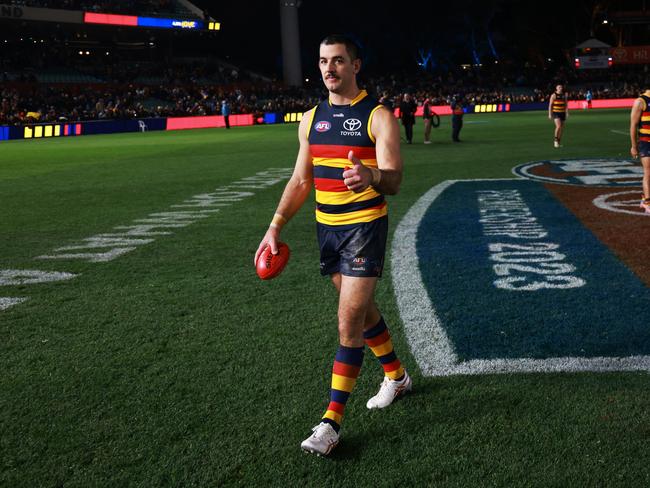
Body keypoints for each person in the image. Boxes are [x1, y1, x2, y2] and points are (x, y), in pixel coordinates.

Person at [254, 34, 411, 456]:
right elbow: (301, 180)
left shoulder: (378, 117)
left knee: (348, 321)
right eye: (323, 61)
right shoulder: (310, 119)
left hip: (364, 227)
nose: (329, 69)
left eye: (338, 61)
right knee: (361, 313)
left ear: (355, 65)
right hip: (328, 231)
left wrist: (372, 177)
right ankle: (396, 376)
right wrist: (275, 226)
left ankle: (331, 423)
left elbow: (394, 178)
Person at [630, 87, 650, 213]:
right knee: (648, 172)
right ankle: (648, 203)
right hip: (646, 142)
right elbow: (633, 125)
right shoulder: (641, 101)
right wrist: (633, 146)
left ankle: (644, 198)